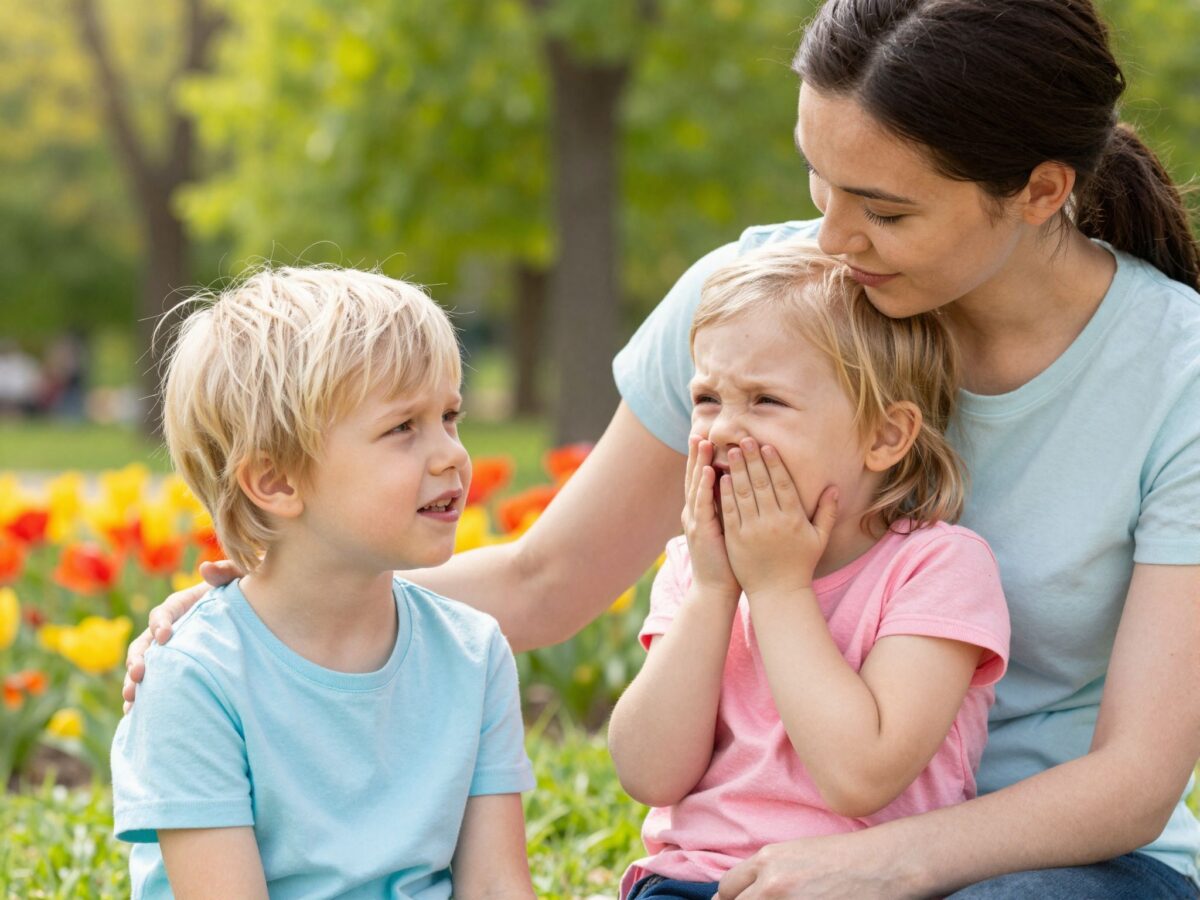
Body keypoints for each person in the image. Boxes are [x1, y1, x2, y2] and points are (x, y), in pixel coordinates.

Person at [127, 0, 1200, 895]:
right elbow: (549, 578)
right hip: (753, 862)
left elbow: (1137, 775)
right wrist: (269, 615)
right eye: (819, 182)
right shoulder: (762, 310)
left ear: (1044, 192)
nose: (828, 239)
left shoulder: (1176, 373)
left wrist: (886, 865)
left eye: (881, 208)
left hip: (1046, 861)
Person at [111, 267, 535, 900]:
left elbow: (497, 886)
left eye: (449, 416)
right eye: (402, 428)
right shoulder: (195, 680)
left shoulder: (474, 655)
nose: (451, 454)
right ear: (278, 482)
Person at [607, 242, 1010, 899]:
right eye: (708, 398)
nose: (725, 429)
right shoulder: (697, 566)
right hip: (692, 880)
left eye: (766, 400)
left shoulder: (937, 568)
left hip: (858, 884)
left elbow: (860, 777)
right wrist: (714, 590)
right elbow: (650, 774)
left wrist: (778, 587)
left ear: (884, 436)